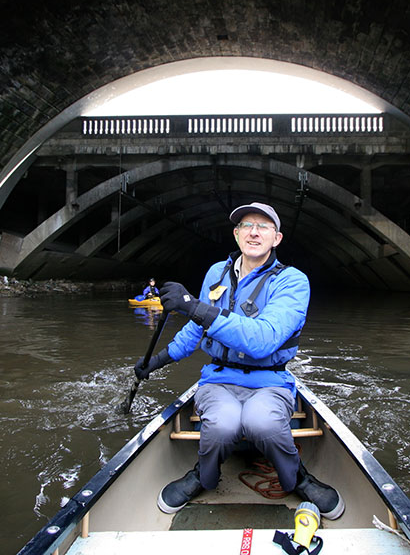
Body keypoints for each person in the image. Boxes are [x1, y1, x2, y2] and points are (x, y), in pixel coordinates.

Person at [134, 201, 344, 519]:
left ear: (277, 238)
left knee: (263, 423)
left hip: (269, 380)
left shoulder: (292, 281)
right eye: (247, 226)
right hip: (219, 378)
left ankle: (296, 478)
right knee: (222, 425)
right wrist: (160, 359)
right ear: (236, 234)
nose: (254, 232)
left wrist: (193, 305)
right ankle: (203, 477)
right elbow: (196, 329)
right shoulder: (216, 274)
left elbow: (264, 340)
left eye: (264, 227)